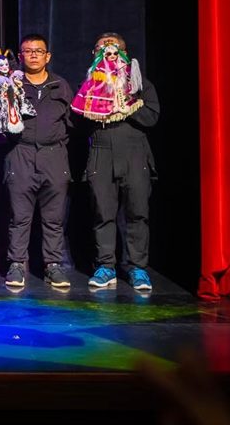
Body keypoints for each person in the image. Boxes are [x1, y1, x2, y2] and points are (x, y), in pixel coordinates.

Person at [76, 33, 161, 292]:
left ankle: (137, 268)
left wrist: (128, 104)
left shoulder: (138, 83)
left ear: (124, 53)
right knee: (103, 213)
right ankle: (106, 267)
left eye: (114, 48)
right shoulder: (90, 85)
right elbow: (78, 121)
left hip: (134, 152)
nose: (108, 52)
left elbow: (152, 117)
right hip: (101, 152)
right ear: (94, 54)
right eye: (102, 48)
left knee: (138, 213)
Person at [2, 34, 73, 290]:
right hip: (21, 154)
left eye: (38, 51)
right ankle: (16, 264)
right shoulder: (11, 84)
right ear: (20, 56)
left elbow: (71, 122)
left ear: (47, 56)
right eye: (28, 51)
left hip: (54, 156)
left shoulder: (60, 85)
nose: (33, 55)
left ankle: (53, 265)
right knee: (20, 216)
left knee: (54, 218)